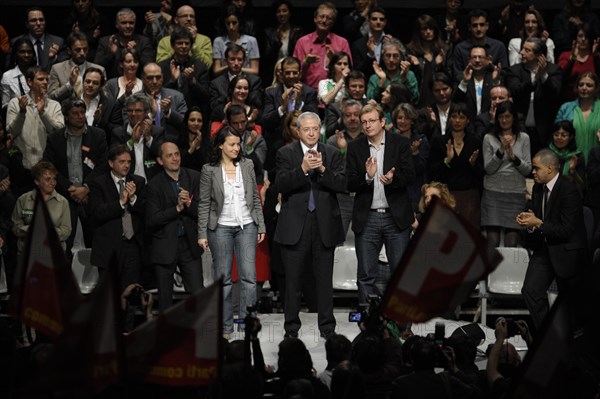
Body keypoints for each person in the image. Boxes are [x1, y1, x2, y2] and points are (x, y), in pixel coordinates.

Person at [274, 111, 345, 339]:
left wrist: (323, 170)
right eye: (307, 129)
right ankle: (291, 330)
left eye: (316, 128)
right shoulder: (285, 153)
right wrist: (303, 169)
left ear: (320, 130)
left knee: (324, 282)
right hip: (296, 226)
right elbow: (281, 185)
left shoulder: (332, 153)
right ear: (298, 131)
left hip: (324, 225)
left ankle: (328, 328)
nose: (312, 133)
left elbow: (343, 184)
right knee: (293, 282)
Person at [197, 128, 265, 337]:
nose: (237, 148)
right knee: (224, 280)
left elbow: (254, 197)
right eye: (232, 144)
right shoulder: (209, 170)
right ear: (220, 145)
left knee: (249, 278)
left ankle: (247, 324)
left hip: (247, 225)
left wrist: (260, 225)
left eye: (238, 144)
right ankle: (226, 327)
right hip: (221, 228)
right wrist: (202, 233)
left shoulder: (248, 164)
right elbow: (204, 203)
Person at [346, 103, 415, 304]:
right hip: (368, 217)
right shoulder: (355, 147)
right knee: (366, 275)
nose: (367, 125)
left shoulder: (400, 143)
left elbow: (410, 175)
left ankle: (402, 323)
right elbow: (349, 182)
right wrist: (367, 178)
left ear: (383, 122)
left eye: (372, 121)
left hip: (396, 218)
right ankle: (369, 325)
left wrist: (394, 181)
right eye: (364, 122)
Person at [516, 148, 588, 329]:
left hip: (568, 252)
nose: (532, 172)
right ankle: (547, 335)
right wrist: (530, 225)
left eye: (536, 168)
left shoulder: (569, 190)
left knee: (572, 307)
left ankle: (572, 342)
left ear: (549, 168)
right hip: (545, 250)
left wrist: (538, 223)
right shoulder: (538, 189)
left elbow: (566, 230)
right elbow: (540, 224)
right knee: (531, 291)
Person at [43, 98, 108, 253]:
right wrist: (71, 189)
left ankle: (99, 277)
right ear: (66, 116)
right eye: (75, 113)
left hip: (92, 196)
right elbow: (50, 168)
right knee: (64, 245)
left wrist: (86, 188)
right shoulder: (54, 138)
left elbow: (103, 166)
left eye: (82, 112)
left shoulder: (98, 135)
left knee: (96, 243)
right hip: (65, 197)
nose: (80, 116)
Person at [145, 141, 203, 311]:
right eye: (169, 155)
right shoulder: (154, 185)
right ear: (160, 161)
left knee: (198, 293)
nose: (175, 158)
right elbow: (151, 220)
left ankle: (199, 332)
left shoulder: (194, 177)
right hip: (164, 245)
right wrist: (176, 209)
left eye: (177, 154)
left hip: (189, 245)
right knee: (165, 299)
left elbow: (205, 211)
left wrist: (189, 203)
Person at [89, 144, 145, 291]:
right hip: (109, 248)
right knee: (109, 296)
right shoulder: (98, 183)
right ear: (110, 163)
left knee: (131, 293)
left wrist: (133, 199)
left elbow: (146, 211)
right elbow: (97, 213)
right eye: (122, 162)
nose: (126, 165)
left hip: (132, 246)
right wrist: (121, 203)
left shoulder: (138, 182)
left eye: (129, 162)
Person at [481, 101, 532, 248]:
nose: (504, 120)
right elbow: (489, 169)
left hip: (515, 193)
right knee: (492, 241)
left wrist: (513, 157)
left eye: (508, 116)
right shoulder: (488, 138)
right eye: (501, 116)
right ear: (496, 118)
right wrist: (500, 152)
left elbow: (528, 170)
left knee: (512, 241)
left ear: (514, 118)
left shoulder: (524, 138)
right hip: (493, 193)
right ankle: (490, 271)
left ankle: (509, 271)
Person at [428, 102, 483, 228]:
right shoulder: (439, 141)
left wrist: (473, 164)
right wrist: (447, 160)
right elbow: (431, 171)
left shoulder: (475, 142)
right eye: (454, 117)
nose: (457, 121)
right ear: (449, 119)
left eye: (462, 117)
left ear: (468, 120)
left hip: (469, 197)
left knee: (470, 238)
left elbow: (482, 173)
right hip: (446, 195)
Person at [505, 37, 563, 156]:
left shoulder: (553, 70)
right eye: (522, 49)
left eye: (527, 50)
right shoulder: (514, 71)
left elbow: (555, 94)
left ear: (540, 56)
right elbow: (515, 91)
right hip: (520, 129)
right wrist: (534, 80)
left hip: (544, 131)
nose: (521, 52)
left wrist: (544, 76)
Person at [6, 66, 64, 171]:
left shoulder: (55, 105)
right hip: (20, 165)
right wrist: (22, 112)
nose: (45, 82)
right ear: (29, 82)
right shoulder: (15, 103)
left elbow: (59, 132)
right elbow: (11, 131)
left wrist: (43, 113)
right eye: (41, 79)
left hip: (47, 166)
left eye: (47, 79)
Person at [11, 161, 71, 259]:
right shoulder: (23, 200)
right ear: (37, 181)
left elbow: (66, 231)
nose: (53, 183)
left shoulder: (63, 202)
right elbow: (15, 227)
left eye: (54, 179)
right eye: (48, 179)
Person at [262, 56, 318, 149]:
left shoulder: (309, 93)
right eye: (287, 73)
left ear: (300, 74)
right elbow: (266, 123)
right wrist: (282, 108)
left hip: (304, 143)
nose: (291, 76)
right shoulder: (271, 93)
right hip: (277, 144)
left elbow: (314, 120)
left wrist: (298, 103)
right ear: (281, 74)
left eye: (295, 73)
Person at [293, 2, 352, 90]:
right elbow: (293, 72)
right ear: (315, 19)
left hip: (334, 93)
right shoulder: (302, 42)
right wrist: (306, 62)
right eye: (321, 16)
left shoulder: (342, 43)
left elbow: (348, 72)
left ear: (333, 22)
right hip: (307, 93)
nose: (324, 21)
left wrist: (334, 59)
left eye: (328, 18)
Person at [327, 99, 364, 237]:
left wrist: (345, 150)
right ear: (342, 118)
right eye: (348, 115)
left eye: (356, 114)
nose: (352, 118)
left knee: (366, 242)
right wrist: (342, 151)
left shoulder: (369, 138)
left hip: (364, 197)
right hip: (341, 198)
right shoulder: (333, 141)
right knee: (336, 240)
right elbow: (333, 172)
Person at [111, 93, 165, 183]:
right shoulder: (118, 133)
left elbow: (162, 156)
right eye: (130, 110)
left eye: (138, 110)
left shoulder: (157, 132)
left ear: (146, 112)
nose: (133, 114)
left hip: (152, 183)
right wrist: (132, 141)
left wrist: (148, 138)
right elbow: (114, 158)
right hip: (127, 183)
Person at [157, 25, 210, 114]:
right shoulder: (162, 67)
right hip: (168, 113)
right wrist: (172, 81)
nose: (184, 46)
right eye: (179, 43)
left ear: (191, 45)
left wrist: (192, 81)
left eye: (187, 43)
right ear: (172, 45)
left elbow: (206, 96)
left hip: (193, 114)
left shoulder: (200, 66)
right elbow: (158, 94)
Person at [209, 43, 264, 126]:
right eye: (232, 59)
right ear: (226, 60)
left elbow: (257, 104)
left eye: (239, 59)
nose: (236, 63)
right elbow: (213, 107)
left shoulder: (254, 81)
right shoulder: (216, 83)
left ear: (244, 61)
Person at [450, 9, 508, 83]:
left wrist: (491, 66)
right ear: (469, 27)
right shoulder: (460, 48)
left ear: (487, 26)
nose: (478, 29)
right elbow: (457, 75)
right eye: (474, 25)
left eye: (482, 25)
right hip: (468, 89)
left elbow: (504, 74)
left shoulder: (498, 46)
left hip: (493, 87)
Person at [94, 8, 154, 79]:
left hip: (138, 83)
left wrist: (135, 53)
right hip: (111, 84)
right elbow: (96, 67)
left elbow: (149, 68)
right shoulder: (105, 41)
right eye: (124, 23)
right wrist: (111, 54)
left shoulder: (144, 42)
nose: (128, 26)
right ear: (116, 25)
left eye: (131, 23)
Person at [47, 32, 106, 104]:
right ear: (69, 51)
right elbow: (51, 97)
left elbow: (104, 97)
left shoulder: (100, 70)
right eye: (78, 50)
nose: (82, 53)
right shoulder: (57, 69)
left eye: (85, 49)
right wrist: (69, 85)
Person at [555, 71, 600, 163]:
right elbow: (555, 136)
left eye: (589, 85)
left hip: (597, 162)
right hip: (571, 161)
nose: (584, 88)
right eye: (581, 85)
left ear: (596, 88)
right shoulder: (566, 108)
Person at [392, 103, 430, 212]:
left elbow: (421, 169)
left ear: (412, 121)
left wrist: (415, 154)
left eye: (407, 118)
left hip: (415, 193)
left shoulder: (421, 140)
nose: (402, 121)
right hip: (396, 194)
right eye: (400, 118)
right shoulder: (390, 140)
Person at [406, 14, 449, 108]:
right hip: (418, 100)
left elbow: (449, 77)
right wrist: (415, 66)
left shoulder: (443, 50)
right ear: (418, 32)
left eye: (431, 28)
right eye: (424, 29)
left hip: (439, 100)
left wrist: (439, 65)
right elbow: (408, 80)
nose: (428, 32)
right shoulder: (411, 51)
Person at [139, 62, 187, 143]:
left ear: (163, 78)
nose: (154, 81)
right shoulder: (134, 100)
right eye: (150, 78)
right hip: (144, 144)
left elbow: (185, 124)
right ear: (143, 79)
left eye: (158, 77)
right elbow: (131, 126)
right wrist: (151, 115)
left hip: (172, 145)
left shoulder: (177, 96)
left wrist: (168, 112)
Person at [155, 4, 213, 70]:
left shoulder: (205, 40)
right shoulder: (165, 41)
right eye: (185, 16)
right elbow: (161, 65)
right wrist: (177, 49)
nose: (189, 19)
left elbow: (207, 65)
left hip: (196, 76)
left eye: (192, 16)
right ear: (176, 20)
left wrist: (193, 43)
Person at [452, 45, 502, 120]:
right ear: (469, 60)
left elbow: (500, 102)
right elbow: (455, 101)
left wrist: (495, 82)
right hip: (467, 124)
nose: (477, 60)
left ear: (488, 60)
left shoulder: (494, 78)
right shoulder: (460, 78)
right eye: (474, 57)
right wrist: (465, 82)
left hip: (489, 122)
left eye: (480, 57)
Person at [261, 0, 303, 87]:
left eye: (284, 11)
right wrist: (278, 41)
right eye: (278, 11)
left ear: (290, 13)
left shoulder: (297, 31)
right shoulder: (268, 32)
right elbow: (267, 56)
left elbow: (297, 53)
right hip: (274, 71)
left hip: (291, 69)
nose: (281, 14)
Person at [367, 39, 419, 106]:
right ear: (382, 57)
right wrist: (382, 81)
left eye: (395, 56)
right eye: (388, 55)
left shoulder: (409, 75)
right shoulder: (375, 78)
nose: (391, 60)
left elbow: (415, 100)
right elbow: (370, 101)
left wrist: (404, 79)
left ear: (401, 58)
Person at [557, 23, 600, 102]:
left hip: (592, 102)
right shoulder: (565, 55)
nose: (583, 39)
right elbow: (560, 77)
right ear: (575, 38)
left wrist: (596, 56)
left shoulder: (596, 56)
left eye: (586, 37)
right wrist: (572, 59)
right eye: (580, 36)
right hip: (569, 103)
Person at [212, 6, 260, 77]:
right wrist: (231, 67)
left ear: (239, 23)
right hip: (225, 80)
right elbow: (216, 71)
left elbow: (255, 70)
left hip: (246, 80)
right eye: (228, 23)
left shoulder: (251, 41)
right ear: (224, 24)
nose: (231, 27)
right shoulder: (218, 41)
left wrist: (235, 67)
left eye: (234, 23)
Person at [351, 6, 392, 81]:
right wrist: (370, 55)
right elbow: (357, 72)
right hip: (367, 85)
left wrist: (392, 47)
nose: (378, 22)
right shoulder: (357, 44)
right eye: (374, 19)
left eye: (381, 19)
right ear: (368, 21)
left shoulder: (391, 42)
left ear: (385, 22)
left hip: (388, 85)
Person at [81, 67, 122, 140]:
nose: (90, 85)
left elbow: (116, 132)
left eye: (95, 83)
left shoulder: (111, 105)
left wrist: (100, 121)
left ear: (101, 86)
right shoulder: (72, 102)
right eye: (87, 81)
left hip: (100, 146)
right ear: (83, 82)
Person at [325, 70, 369, 138]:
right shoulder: (335, 107)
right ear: (347, 88)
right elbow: (329, 132)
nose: (357, 89)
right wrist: (343, 115)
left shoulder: (369, 106)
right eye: (354, 86)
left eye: (361, 86)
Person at [548, 120, 585, 191]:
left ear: (571, 137)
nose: (559, 137)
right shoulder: (547, 153)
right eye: (556, 135)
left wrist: (572, 170)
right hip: (550, 194)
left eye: (564, 135)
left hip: (570, 194)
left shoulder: (577, 156)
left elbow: (581, 184)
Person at [1, 38, 36, 110]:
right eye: (22, 52)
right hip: (16, 116)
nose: (26, 55)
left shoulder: (39, 73)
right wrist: (18, 105)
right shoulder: (7, 76)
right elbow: (4, 105)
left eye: (29, 52)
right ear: (15, 54)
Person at [178, 106, 210, 172]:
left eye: (199, 121)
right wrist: (191, 149)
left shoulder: (208, 142)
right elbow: (179, 164)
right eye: (192, 120)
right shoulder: (178, 141)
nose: (196, 123)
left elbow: (207, 167)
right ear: (186, 122)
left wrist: (198, 147)